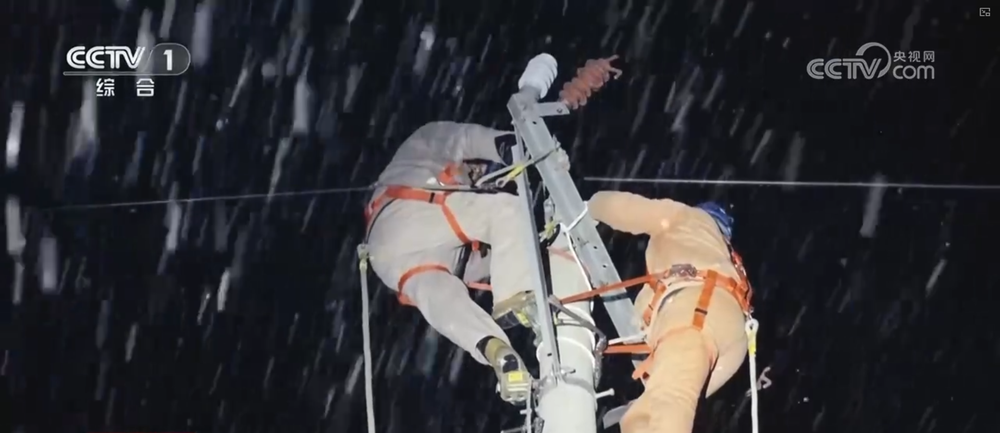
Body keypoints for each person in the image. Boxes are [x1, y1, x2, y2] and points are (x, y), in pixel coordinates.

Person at [363, 121, 537, 404]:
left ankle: (494, 349)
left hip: (390, 258)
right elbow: (465, 138)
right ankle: (514, 299)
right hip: (411, 209)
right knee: (506, 210)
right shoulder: (423, 144)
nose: (476, 178)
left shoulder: (456, 239)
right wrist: (507, 145)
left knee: (445, 303)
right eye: (476, 171)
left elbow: (489, 263)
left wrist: (531, 248)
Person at [587, 191, 754, 433]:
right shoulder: (720, 254)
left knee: (670, 401)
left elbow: (628, 209)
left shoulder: (688, 218)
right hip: (724, 337)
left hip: (697, 312)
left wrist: (591, 206)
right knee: (647, 413)